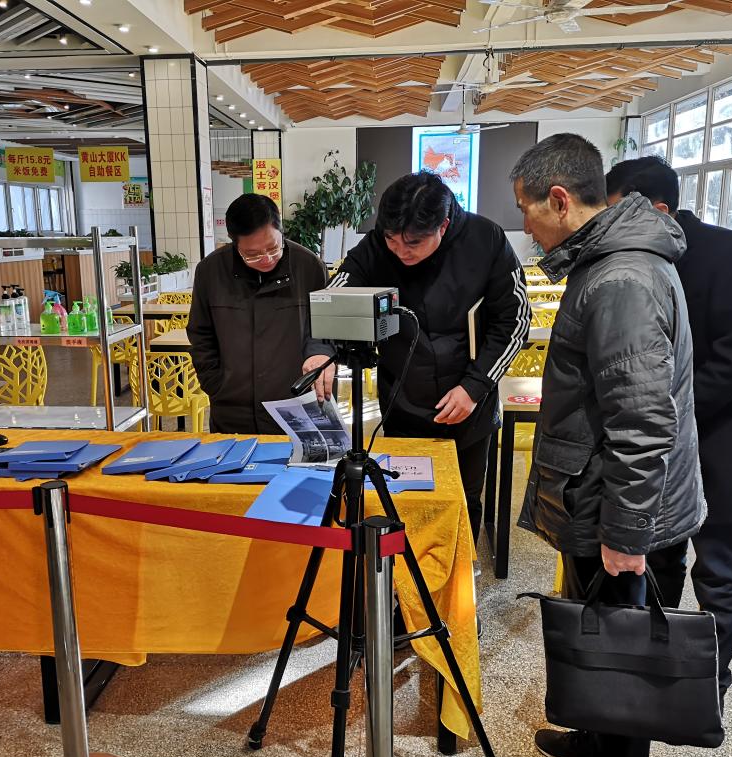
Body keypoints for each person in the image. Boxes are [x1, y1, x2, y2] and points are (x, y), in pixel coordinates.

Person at [510, 134, 705, 757]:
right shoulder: (611, 262)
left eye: (527, 211)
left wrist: (625, 535)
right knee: (604, 648)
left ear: (559, 200)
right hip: (602, 499)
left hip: (619, 512)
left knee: (624, 658)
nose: (527, 227)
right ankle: (594, 739)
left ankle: (613, 754)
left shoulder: (621, 279)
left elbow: (642, 422)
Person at [606, 156, 732, 707]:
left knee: (721, 572)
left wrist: (664, 411)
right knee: (656, 563)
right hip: (656, 446)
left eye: (618, 213)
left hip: (718, 438)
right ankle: (652, 682)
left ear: (658, 208)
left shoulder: (731, 252)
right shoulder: (638, 259)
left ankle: (706, 689)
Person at [329, 170, 530, 547]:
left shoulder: (485, 238)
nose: (400, 252)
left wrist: (474, 387)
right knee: (406, 498)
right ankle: (410, 573)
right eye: (391, 240)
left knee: (464, 498)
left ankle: (461, 573)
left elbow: (515, 320)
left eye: (414, 243)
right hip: (403, 401)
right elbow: (337, 292)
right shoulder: (380, 243)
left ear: (444, 225)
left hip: (469, 404)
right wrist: (320, 348)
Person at [187, 194, 335, 434]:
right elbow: (200, 333)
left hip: (296, 406)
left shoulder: (310, 267)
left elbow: (325, 329)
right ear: (235, 244)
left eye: (273, 248)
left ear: (281, 231)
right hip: (233, 409)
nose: (266, 259)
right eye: (252, 254)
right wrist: (216, 384)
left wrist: (320, 356)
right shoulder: (210, 272)